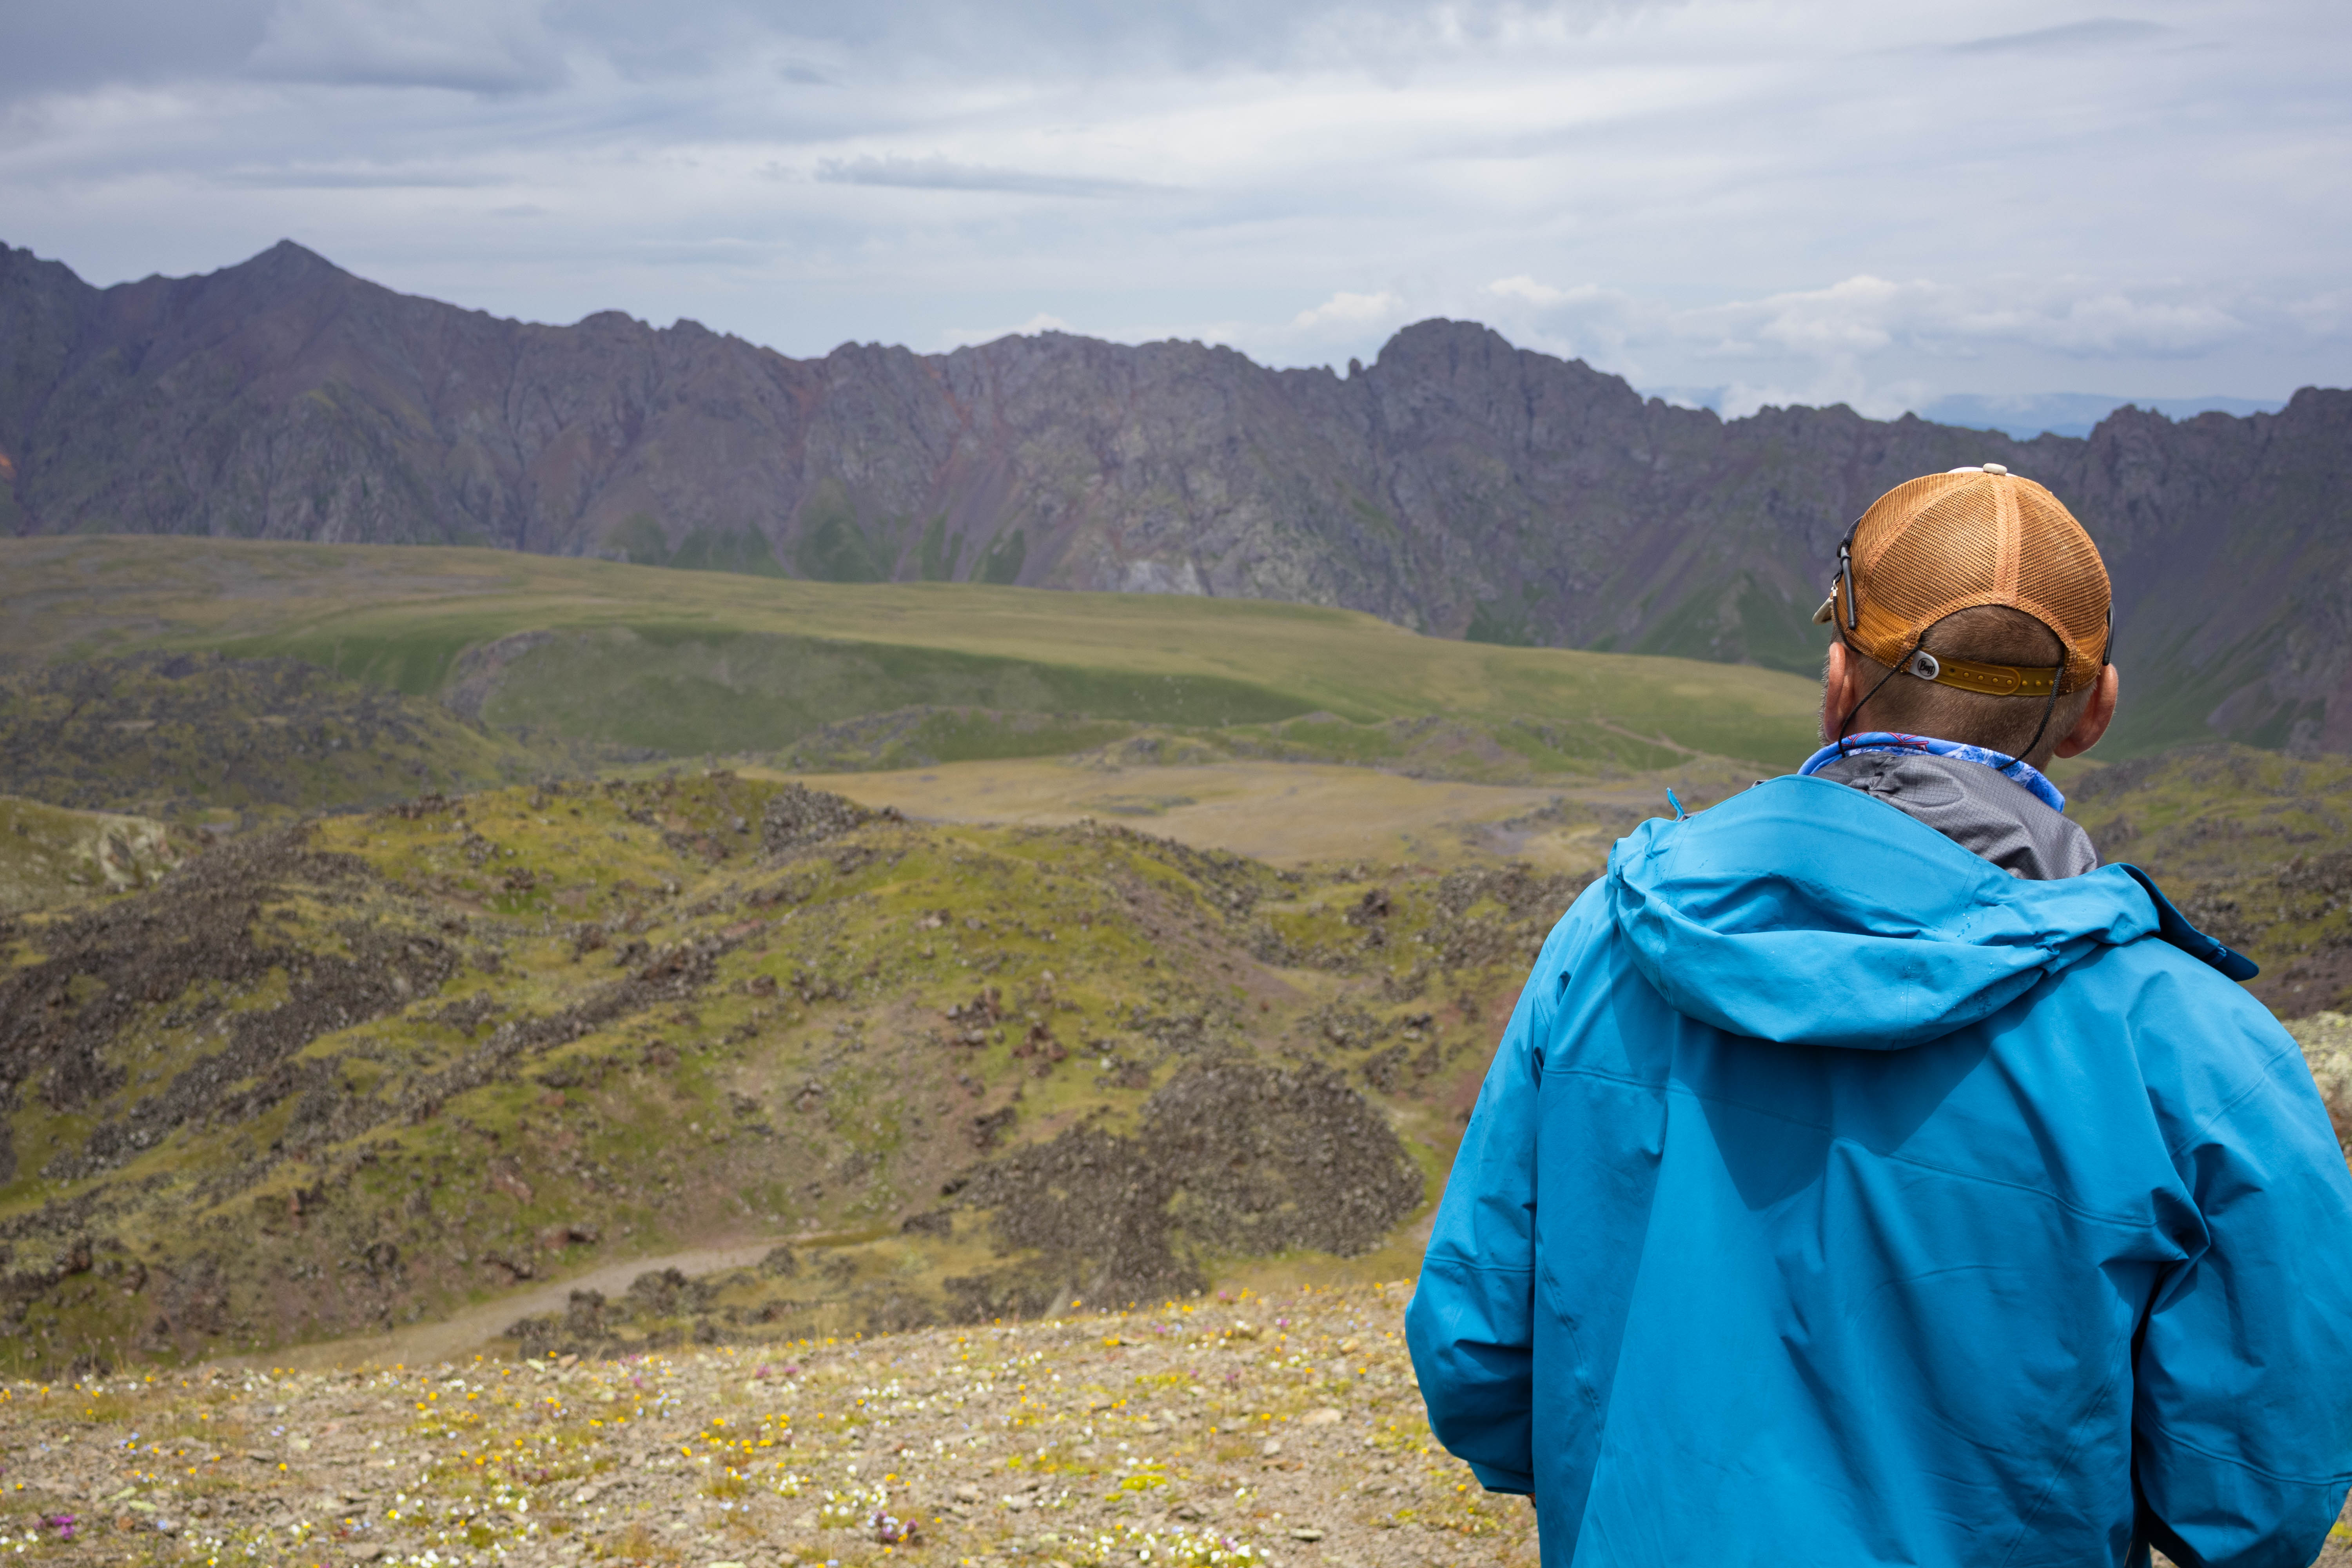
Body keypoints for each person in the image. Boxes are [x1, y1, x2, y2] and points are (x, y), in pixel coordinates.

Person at [1405, 465, 2352, 1567]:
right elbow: (2256, 1497)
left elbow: (1476, 1357)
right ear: (2095, 710)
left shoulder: (1605, 943)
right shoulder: (2196, 1048)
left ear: (1837, 675)